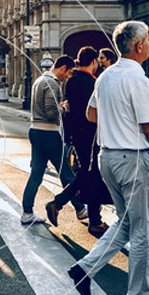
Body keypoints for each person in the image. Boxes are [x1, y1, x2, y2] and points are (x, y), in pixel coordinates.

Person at [66, 21, 149, 295]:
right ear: (139, 46)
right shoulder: (138, 79)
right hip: (133, 160)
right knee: (145, 230)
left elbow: (91, 114)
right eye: (148, 39)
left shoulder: (106, 76)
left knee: (125, 223)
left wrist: (117, 120)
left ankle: (84, 269)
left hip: (107, 157)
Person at [46, 46, 109, 236]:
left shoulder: (70, 82)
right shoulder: (94, 83)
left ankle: (92, 218)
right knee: (90, 174)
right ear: (93, 62)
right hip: (92, 135)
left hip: (77, 135)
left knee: (88, 174)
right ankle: (62, 204)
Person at [19, 55, 81, 225]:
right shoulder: (53, 83)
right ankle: (81, 209)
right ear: (62, 68)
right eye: (68, 73)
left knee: (36, 174)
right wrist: (64, 108)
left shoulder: (39, 80)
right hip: (49, 133)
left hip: (36, 131)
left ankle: (27, 212)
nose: (67, 77)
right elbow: (51, 112)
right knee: (66, 173)